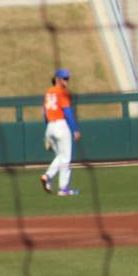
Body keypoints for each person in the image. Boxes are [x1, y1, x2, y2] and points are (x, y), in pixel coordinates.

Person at [40, 68, 80, 196]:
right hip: (61, 125)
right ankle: (64, 189)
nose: (67, 80)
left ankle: (47, 176)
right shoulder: (62, 92)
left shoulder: (48, 92)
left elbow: (45, 114)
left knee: (61, 157)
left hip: (50, 126)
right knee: (66, 158)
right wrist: (75, 129)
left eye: (67, 78)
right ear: (57, 79)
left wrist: (47, 133)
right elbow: (67, 112)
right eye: (64, 78)